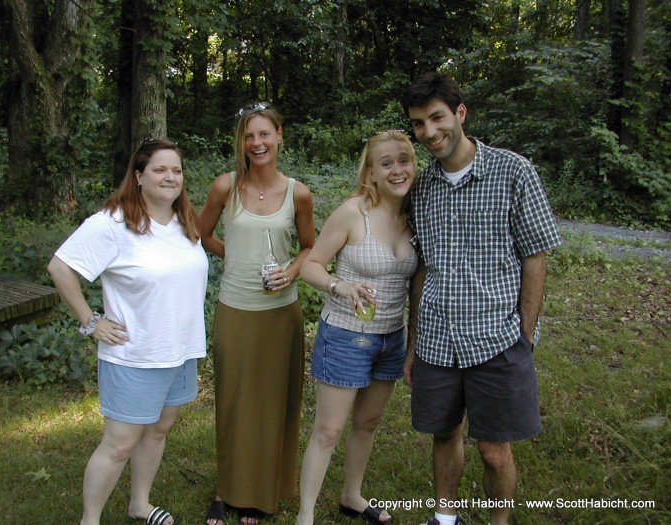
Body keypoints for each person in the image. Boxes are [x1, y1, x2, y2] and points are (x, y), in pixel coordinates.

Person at [400, 73, 562, 525]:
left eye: (437, 118)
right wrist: (414, 344)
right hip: (437, 339)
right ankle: (445, 517)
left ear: (460, 113)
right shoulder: (423, 187)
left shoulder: (513, 171)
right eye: (419, 124)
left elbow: (536, 255)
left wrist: (524, 336)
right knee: (444, 433)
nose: (430, 132)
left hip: (497, 338)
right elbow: (422, 269)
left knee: (494, 450)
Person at [47, 138, 209, 525]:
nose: (170, 177)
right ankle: (90, 520)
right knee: (119, 444)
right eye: (159, 169)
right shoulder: (114, 224)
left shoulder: (185, 222)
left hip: (180, 350)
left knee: (158, 430)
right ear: (138, 176)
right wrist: (91, 321)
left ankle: (139, 504)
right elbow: (60, 267)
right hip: (135, 355)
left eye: (176, 170)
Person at [198, 102, 315, 525]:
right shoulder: (224, 186)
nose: (257, 143)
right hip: (235, 310)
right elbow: (201, 232)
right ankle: (226, 490)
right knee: (232, 402)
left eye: (265, 134)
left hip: (281, 315)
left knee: (273, 404)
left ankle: (263, 494)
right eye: (249, 136)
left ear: (280, 135)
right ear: (241, 143)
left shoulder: (298, 193)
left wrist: (292, 272)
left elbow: (308, 246)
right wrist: (237, 258)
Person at [296, 130, 419, 525]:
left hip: (390, 337)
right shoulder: (353, 212)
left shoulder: (414, 213)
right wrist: (340, 284)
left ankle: (352, 496)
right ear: (371, 171)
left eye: (404, 160)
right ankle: (306, 515)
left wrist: (412, 340)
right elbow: (311, 266)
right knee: (328, 431)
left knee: (368, 423)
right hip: (347, 335)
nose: (397, 169)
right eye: (386, 163)